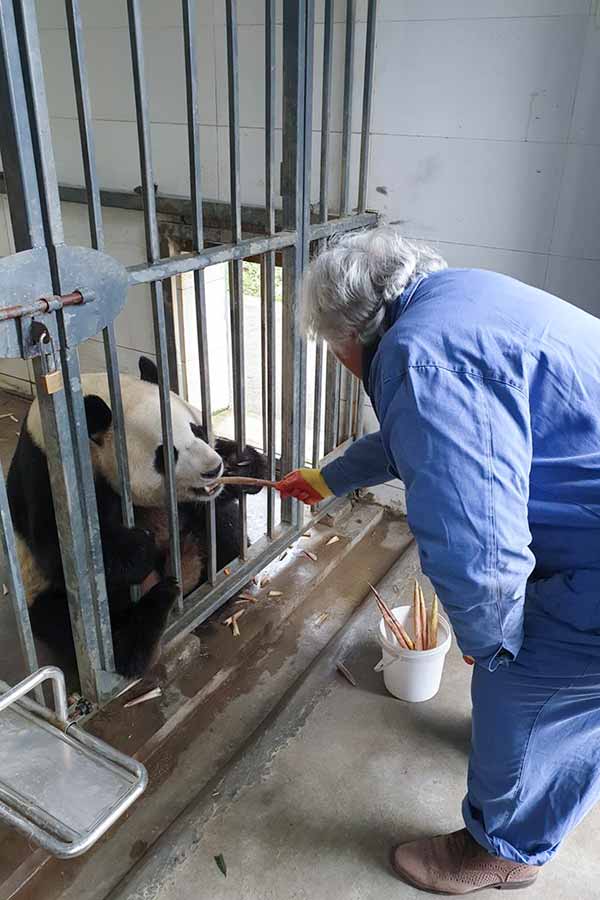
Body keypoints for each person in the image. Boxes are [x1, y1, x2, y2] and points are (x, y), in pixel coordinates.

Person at [277, 226, 600, 895]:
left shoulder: (416, 357)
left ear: (346, 336)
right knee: (577, 701)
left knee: (520, 686)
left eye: (331, 347)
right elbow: (428, 429)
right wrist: (329, 477)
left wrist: (490, 644)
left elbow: (479, 553)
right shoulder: (460, 297)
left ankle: (504, 851)